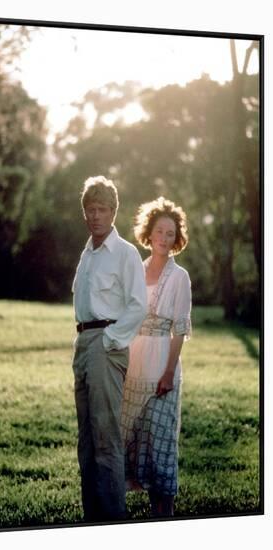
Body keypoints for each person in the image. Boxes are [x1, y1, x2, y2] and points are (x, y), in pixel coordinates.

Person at [71, 175, 147, 522]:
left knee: (105, 438)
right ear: (84, 212)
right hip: (83, 343)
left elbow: (137, 306)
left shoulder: (125, 253)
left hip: (106, 344)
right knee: (86, 439)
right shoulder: (87, 254)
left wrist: (110, 341)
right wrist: (88, 342)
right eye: (90, 209)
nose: (96, 215)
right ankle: (92, 517)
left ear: (114, 212)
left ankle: (113, 519)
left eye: (102, 209)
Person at [120, 196, 192, 518]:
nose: (164, 238)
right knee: (132, 443)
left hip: (162, 370)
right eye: (160, 231)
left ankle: (165, 517)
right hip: (133, 366)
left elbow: (179, 330)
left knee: (161, 448)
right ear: (149, 233)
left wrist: (167, 373)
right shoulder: (135, 269)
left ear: (176, 240)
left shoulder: (180, 278)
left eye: (170, 234)